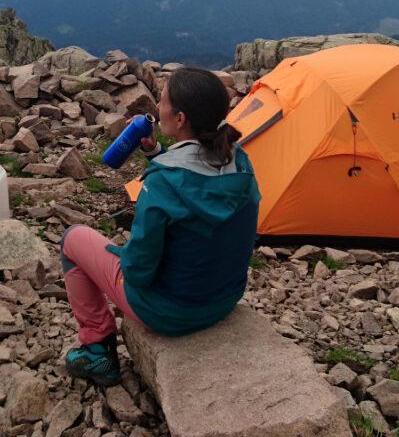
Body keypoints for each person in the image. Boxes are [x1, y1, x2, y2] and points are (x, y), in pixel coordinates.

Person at [59, 66, 261, 386]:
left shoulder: (163, 183)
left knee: (73, 239)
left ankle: (97, 349)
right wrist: (155, 152)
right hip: (224, 298)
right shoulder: (239, 161)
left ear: (180, 119)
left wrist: (121, 252)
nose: (157, 109)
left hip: (170, 313)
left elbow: (138, 272)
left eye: (163, 101)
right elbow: (196, 180)